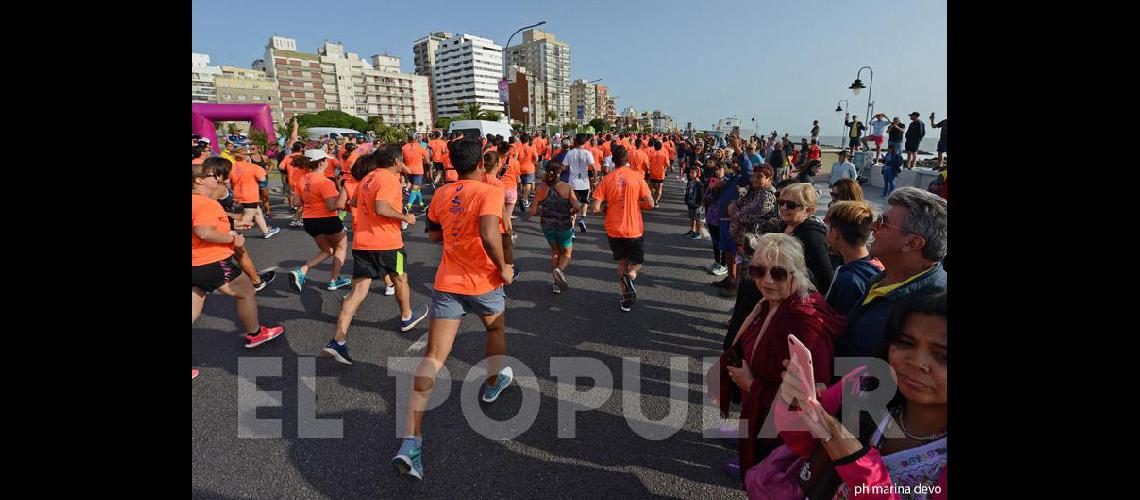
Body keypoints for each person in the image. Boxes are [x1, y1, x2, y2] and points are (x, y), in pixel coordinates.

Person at [392, 139, 515, 481]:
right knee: (495, 330)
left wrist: (456, 231)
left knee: (433, 356)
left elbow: (433, 236)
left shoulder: (443, 193)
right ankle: (493, 382)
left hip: (448, 282)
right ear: (481, 163)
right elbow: (491, 233)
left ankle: (410, 443)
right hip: (483, 282)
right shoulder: (489, 190)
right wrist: (504, 267)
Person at [765, 291, 947, 500]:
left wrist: (856, 462)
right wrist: (794, 402)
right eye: (906, 343)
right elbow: (804, 444)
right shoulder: (865, 383)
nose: (917, 362)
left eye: (943, 355)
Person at [720, 233, 845, 480]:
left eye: (778, 273)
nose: (766, 281)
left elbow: (812, 401)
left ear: (797, 274)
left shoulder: (803, 320)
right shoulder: (769, 304)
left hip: (783, 437)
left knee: (769, 486)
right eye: (758, 271)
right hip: (761, 418)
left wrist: (752, 384)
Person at [321, 147, 429, 366]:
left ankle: (338, 340)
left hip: (363, 242)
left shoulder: (368, 178)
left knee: (357, 292)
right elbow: (381, 207)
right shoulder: (389, 179)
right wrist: (404, 217)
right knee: (400, 278)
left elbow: (352, 202)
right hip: (387, 242)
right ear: (397, 161)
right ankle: (407, 316)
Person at [193, 161, 285, 379]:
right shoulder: (206, 204)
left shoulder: (199, 202)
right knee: (246, 292)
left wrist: (232, 226)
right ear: (199, 180)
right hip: (211, 260)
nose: (218, 179)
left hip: (196, 262)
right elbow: (204, 231)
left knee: (194, 306)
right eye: (212, 176)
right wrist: (233, 239)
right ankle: (256, 333)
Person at [837, 187, 946, 358]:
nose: (873, 226)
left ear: (912, 243)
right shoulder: (883, 279)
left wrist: (836, 384)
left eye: (882, 222)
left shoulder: (934, 311)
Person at [591, 146, 654, 312]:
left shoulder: (607, 179)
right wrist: (636, 203)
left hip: (614, 228)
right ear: (628, 160)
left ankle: (625, 299)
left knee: (622, 262)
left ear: (613, 160)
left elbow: (595, 208)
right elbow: (650, 203)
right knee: (637, 262)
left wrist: (608, 206)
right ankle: (631, 275)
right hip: (633, 227)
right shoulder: (637, 177)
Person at [208, 157, 276, 292]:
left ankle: (254, 278)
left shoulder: (212, 186)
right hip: (224, 228)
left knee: (238, 256)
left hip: (224, 226)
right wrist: (235, 217)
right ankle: (256, 282)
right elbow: (209, 208)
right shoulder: (218, 187)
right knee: (240, 255)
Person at [287, 149, 351, 292]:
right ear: (321, 162)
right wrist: (345, 203)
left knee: (327, 250)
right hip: (327, 219)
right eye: (326, 160)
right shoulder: (325, 182)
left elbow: (296, 203)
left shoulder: (301, 179)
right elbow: (330, 207)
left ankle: (302, 270)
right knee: (341, 247)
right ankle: (334, 280)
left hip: (310, 221)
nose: (328, 162)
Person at [822, 201, 884, 316]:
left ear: (835, 233)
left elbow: (838, 326)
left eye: (828, 228)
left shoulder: (849, 281)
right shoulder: (877, 265)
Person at [530, 161, 580, 294]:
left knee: (555, 252)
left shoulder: (541, 189)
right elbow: (576, 207)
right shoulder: (567, 187)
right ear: (559, 172)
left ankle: (556, 284)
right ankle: (560, 270)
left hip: (547, 225)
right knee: (567, 253)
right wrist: (568, 214)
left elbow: (533, 211)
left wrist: (546, 212)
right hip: (563, 224)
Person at [777, 184, 834, 295]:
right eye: (781, 202)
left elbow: (827, 278)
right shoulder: (785, 225)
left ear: (808, 210)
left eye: (791, 205)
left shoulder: (812, 236)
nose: (783, 207)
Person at [229, 147, 280, 239]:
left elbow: (227, 181)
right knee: (246, 220)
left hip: (237, 194)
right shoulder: (254, 167)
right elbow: (263, 179)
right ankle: (227, 229)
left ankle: (266, 231)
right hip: (250, 195)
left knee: (257, 212)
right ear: (246, 157)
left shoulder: (231, 167)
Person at [563, 134, 596, 233]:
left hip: (572, 183)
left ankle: (572, 230)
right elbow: (594, 167)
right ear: (585, 142)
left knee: (573, 206)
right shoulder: (587, 153)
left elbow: (563, 166)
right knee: (585, 202)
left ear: (575, 142)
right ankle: (582, 218)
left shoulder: (570, 153)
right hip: (584, 183)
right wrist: (595, 178)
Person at [705, 162, 729, 276]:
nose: (718, 171)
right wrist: (711, 189)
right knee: (714, 241)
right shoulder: (712, 181)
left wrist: (718, 188)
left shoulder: (727, 183)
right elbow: (708, 197)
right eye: (716, 169)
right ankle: (717, 261)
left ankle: (723, 265)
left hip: (721, 216)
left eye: (720, 169)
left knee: (722, 241)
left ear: (724, 170)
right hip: (711, 215)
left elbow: (725, 198)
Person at [403, 135, 430, 215]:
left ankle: (422, 205)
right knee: (415, 188)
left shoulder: (404, 147)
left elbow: (401, 159)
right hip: (418, 170)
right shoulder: (420, 147)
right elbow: (427, 159)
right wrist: (425, 162)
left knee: (417, 188)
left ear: (408, 138)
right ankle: (408, 206)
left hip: (408, 170)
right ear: (416, 139)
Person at [248, 144, 273, 216]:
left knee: (265, 195)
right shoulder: (248, 158)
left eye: (253, 149)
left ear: (258, 149)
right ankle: (259, 212)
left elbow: (271, 164)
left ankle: (268, 211)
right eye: (250, 149)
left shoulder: (264, 157)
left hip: (263, 179)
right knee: (256, 196)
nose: (251, 150)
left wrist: (267, 171)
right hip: (253, 179)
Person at [683, 166, 706, 239]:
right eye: (690, 173)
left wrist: (699, 204)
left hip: (697, 204)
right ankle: (692, 230)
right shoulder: (690, 182)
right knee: (691, 217)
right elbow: (687, 192)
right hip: (690, 203)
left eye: (693, 173)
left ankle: (698, 233)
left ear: (698, 174)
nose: (690, 174)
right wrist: (686, 200)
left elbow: (702, 196)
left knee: (697, 218)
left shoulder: (700, 184)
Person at [516, 133, 538, 209]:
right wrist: (535, 162)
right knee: (528, 186)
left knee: (522, 186)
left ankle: (522, 199)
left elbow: (515, 158)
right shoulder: (531, 147)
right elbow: (536, 158)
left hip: (519, 168)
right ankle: (524, 200)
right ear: (528, 140)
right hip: (529, 168)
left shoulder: (518, 147)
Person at [648, 139, 670, 206]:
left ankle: (651, 199)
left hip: (652, 173)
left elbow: (647, 162)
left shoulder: (651, 154)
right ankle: (656, 201)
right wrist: (665, 168)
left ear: (654, 147)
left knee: (651, 187)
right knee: (659, 188)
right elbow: (668, 165)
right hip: (661, 173)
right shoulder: (664, 155)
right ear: (661, 147)